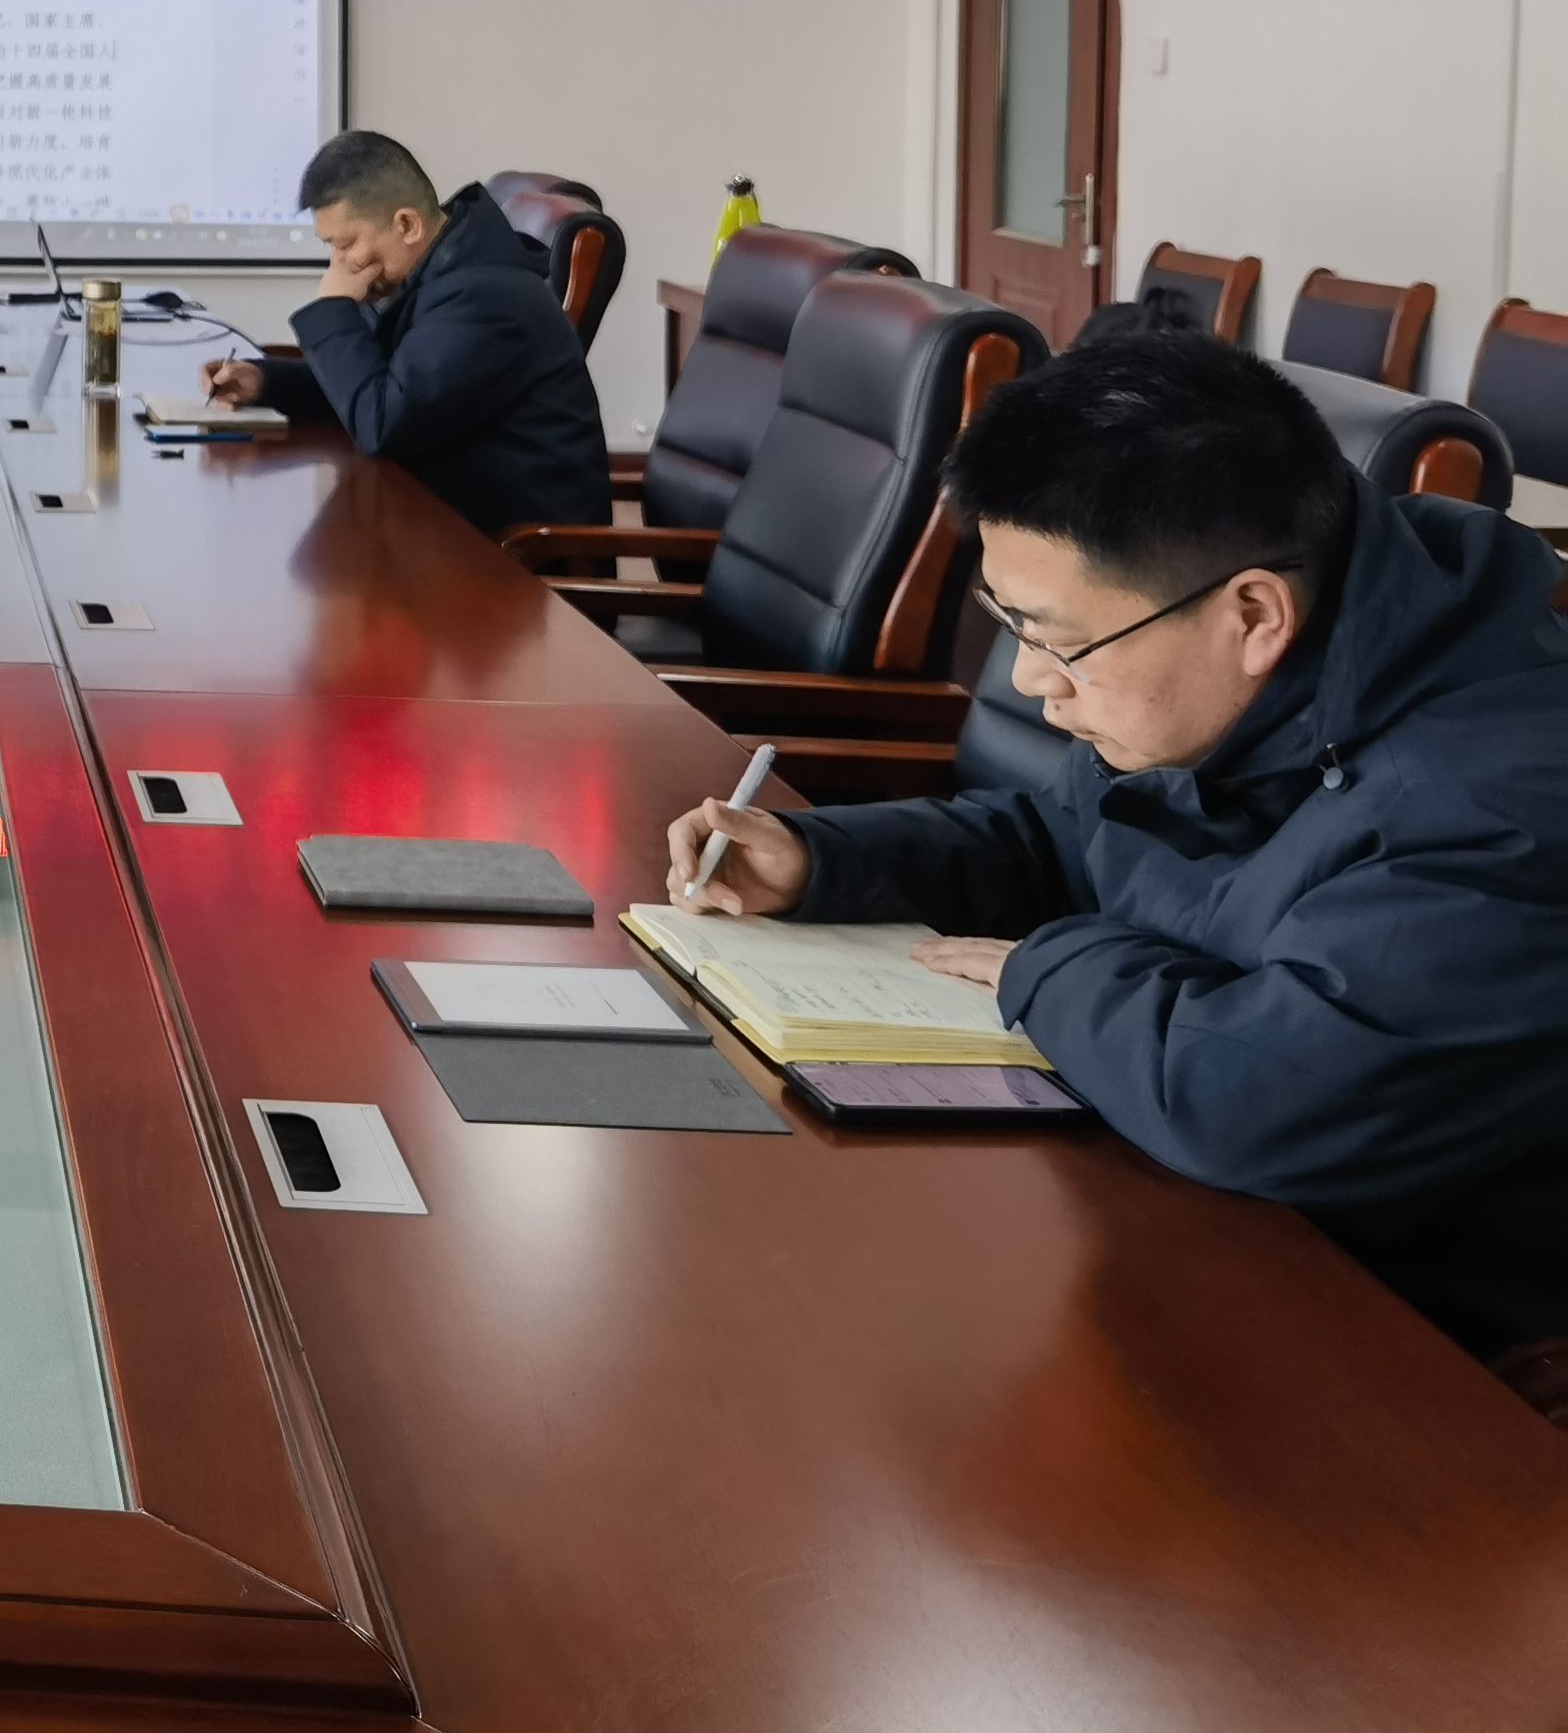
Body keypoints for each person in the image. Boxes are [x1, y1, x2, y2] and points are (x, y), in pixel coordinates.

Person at [664, 335, 1568, 1398]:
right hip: (1188, 1233)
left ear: (1252, 616)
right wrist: (821, 859)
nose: (1027, 680)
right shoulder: (1272, 669)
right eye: (1007, 624)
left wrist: (1042, 966)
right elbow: (1063, 840)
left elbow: (1255, 1101)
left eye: (1058, 641)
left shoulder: (1500, 802)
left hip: (1419, 1372)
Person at [204, 129, 608, 533]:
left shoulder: (484, 299)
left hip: (514, 552)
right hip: (454, 522)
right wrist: (266, 382)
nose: (339, 264)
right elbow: (377, 382)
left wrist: (332, 309)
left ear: (407, 225)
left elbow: (382, 423)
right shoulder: (438, 270)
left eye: (346, 244)